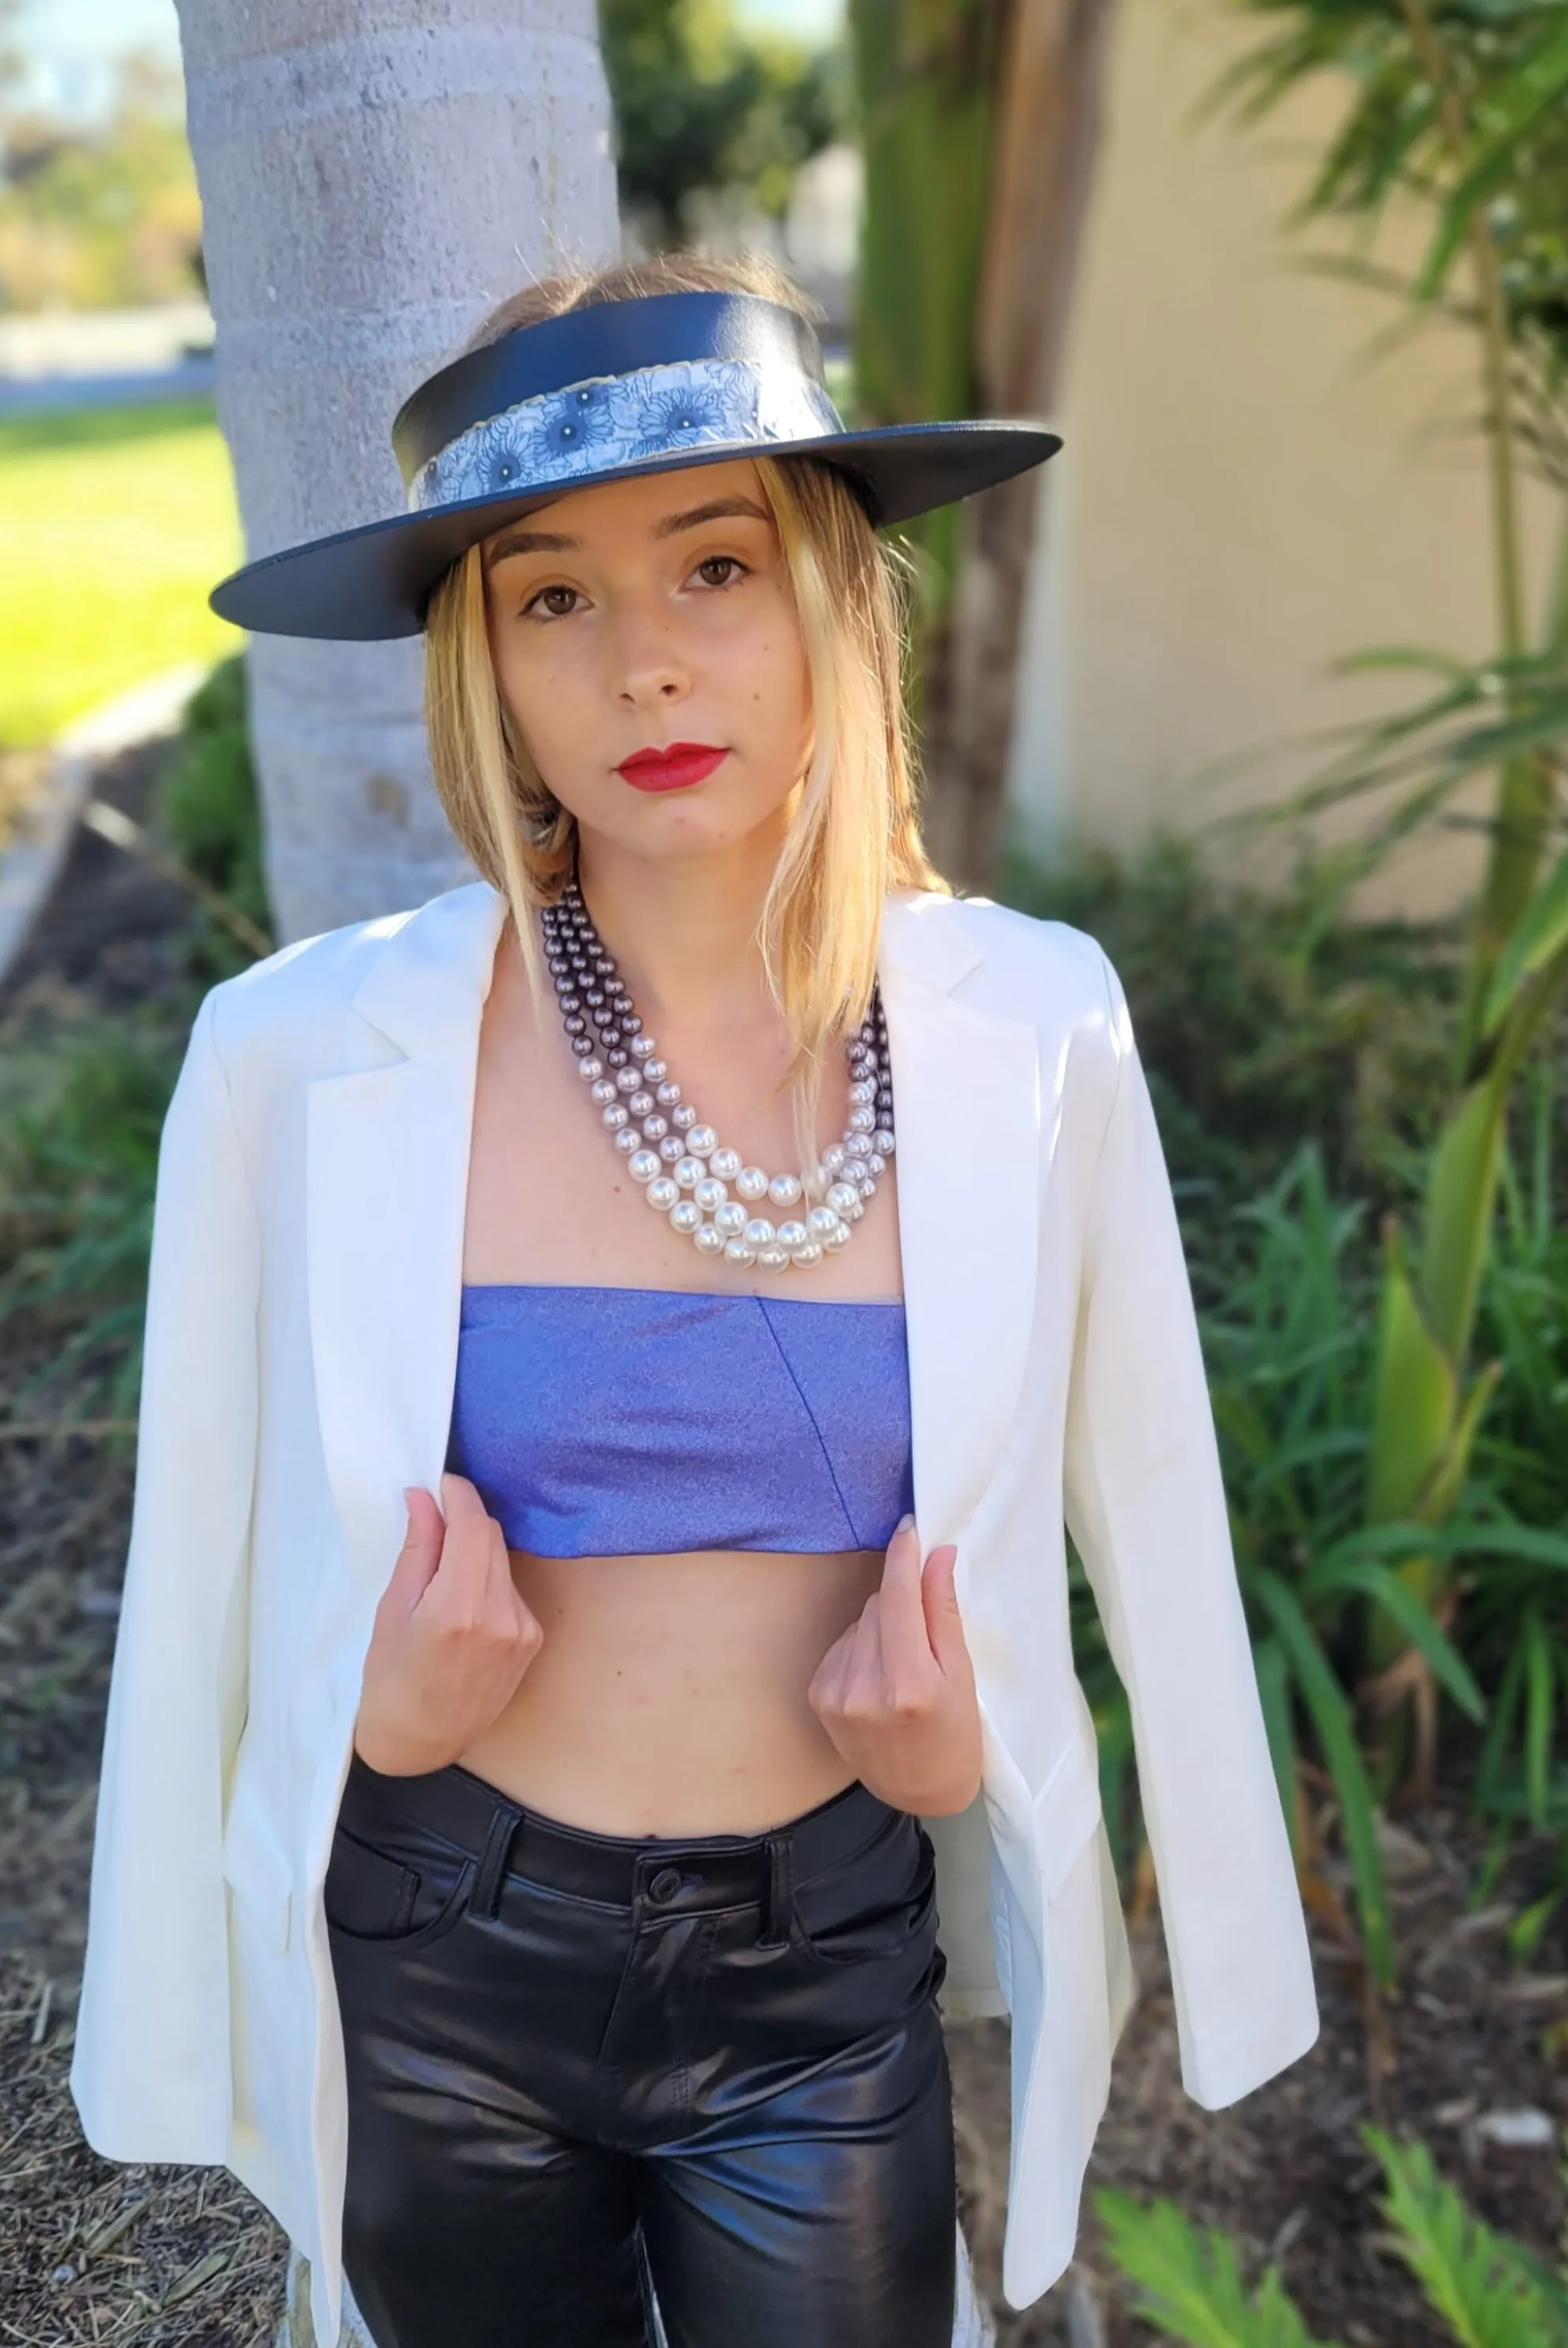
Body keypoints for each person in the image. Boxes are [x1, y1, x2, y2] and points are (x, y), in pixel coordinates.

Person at [69, 252, 1318, 2348]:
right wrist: (376, 1719)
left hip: (816, 1971)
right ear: (481, 656)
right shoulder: (302, 1056)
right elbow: (196, 1577)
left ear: (827, 596)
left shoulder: (1027, 1034)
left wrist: (963, 1762)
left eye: (712, 566)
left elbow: (1152, 1520)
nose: (644, 662)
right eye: (552, 594)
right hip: (436, 1946)